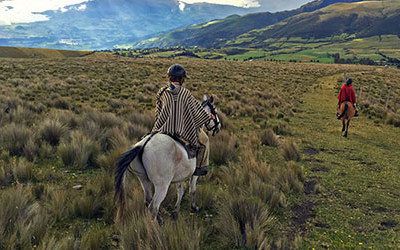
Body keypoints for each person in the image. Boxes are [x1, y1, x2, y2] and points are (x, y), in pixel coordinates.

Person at [152, 64, 212, 176]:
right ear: (181, 79)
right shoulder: (185, 93)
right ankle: (199, 168)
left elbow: (158, 112)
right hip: (184, 130)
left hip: (163, 128)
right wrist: (207, 116)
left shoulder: (161, 92)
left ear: (169, 77)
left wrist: (159, 125)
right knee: (205, 141)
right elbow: (195, 113)